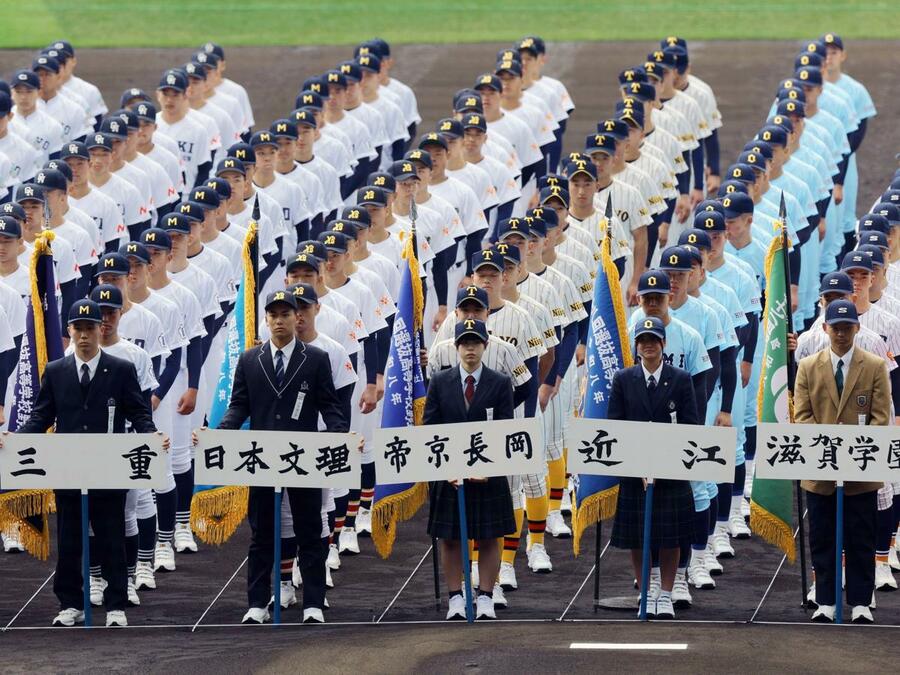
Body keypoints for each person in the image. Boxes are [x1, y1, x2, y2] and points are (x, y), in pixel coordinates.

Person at [11, 299, 163, 628]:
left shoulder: (121, 369)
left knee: (111, 536)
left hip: (108, 467)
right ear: (69, 330)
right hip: (69, 467)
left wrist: (152, 436)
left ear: (100, 329)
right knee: (69, 539)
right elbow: (41, 416)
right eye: (78, 329)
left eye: (89, 328)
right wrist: (15, 440)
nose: (83, 336)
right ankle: (70, 603)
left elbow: (138, 413)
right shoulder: (56, 371)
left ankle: (116, 605)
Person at [215, 290, 348, 625]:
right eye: (273, 315)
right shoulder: (250, 360)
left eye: (285, 314)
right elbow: (239, 405)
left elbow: (330, 406)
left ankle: (313, 602)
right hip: (262, 458)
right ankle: (257, 603)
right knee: (262, 533)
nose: (279, 321)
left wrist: (338, 435)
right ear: (266, 319)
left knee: (310, 530)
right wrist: (221, 432)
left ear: (296, 318)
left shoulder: (315, 358)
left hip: (302, 456)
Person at [794, 299, 890, 624]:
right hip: (821, 468)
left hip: (861, 470)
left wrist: (852, 452)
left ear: (857, 328)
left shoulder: (874, 366)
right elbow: (802, 415)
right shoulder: (809, 367)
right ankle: (826, 600)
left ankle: (861, 602)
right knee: (823, 537)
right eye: (836, 327)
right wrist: (829, 448)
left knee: (861, 535)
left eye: (847, 327)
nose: (841, 334)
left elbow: (880, 416)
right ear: (825, 328)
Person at [607, 315, 699, 620]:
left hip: (670, 472)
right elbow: (615, 426)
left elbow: (690, 426)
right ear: (636, 346)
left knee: (672, 537)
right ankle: (646, 591)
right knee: (637, 537)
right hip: (635, 473)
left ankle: (667, 594)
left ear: (664, 343)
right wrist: (638, 468)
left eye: (654, 340)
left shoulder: (681, 379)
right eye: (643, 341)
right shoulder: (623, 379)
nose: (648, 346)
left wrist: (664, 464)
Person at [424, 318, 516, 621]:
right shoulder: (440, 381)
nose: (470, 349)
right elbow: (431, 427)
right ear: (456, 346)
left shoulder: (500, 382)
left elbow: (505, 428)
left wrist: (490, 467)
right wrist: (446, 471)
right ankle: (455, 597)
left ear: (485, 345)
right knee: (450, 538)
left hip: (488, 473)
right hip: (450, 474)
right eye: (464, 343)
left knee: (489, 536)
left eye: (475, 342)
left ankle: (486, 596)